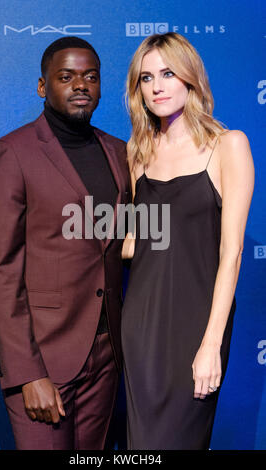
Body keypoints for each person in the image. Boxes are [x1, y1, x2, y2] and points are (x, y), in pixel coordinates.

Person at [0, 37, 131, 450]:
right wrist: (27, 373)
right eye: (66, 77)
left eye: (91, 77)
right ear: (43, 87)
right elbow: (0, 272)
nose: (80, 85)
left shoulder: (119, 153)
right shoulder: (9, 154)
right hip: (43, 359)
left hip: (105, 356)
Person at [121, 32, 254, 450]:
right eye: (146, 78)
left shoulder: (229, 146)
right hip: (140, 325)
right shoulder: (136, 150)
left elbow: (231, 255)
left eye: (167, 73)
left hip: (197, 327)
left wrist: (211, 343)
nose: (157, 86)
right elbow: (134, 241)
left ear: (190, 79)